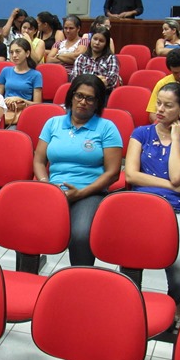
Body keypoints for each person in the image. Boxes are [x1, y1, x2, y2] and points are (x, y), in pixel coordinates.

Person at [125, 82, 180, 323]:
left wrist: (176, 140)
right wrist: (171, 185)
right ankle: (130, 298)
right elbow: (131, 175)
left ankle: (174, 297)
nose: (160, 109)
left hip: (175, 209)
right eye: (159, 103)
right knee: (130, 253)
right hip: (142, 204)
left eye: (168, 106)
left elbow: (179, 175)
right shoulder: (141, 133)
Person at [34, 74, 122, 266]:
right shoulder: (53, 123)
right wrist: (45, 184)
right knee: (28, 226)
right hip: (53, 190)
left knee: (80, 234)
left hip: (90, 191)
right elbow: (39, 161)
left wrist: (80, 193)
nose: (83, 102)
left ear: (98, 102)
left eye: (89, 98)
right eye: (79, 95)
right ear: (71, 96)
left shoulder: (106, 128)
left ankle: (81, 278)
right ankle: (27, 274)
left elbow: (113, 173)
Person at [0, 38, 43, 126]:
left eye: (18, 52)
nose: (14, 55)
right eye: (11, 52)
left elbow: (38, 104)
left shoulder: (36, 75)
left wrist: (22, 100)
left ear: (27, 53)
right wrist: (6, 102)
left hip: (23, 113)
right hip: (5, 111)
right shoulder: (5, 71)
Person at [71, 26, 120, 95]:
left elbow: (112, 80)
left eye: (101, 41)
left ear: (106, 43)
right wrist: (97, 80)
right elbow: (75, 79)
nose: (97, 43)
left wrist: (86, 79)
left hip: (103, 94)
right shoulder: (82, 58)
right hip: (82, 93)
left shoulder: (111, 58)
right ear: (91, 40)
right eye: (95, 39)